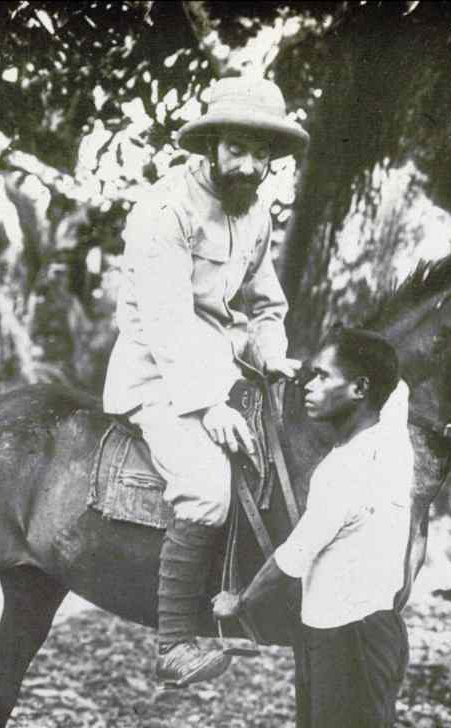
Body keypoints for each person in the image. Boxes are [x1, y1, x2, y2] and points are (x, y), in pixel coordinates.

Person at [103, 77, 309, 686]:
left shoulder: (254, 214)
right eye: (237, 150)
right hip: (159, 373)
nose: (248, 165)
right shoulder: (163, 211)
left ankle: (247, 605)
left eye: (260, 153)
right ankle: (173, 643)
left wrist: (273, 356)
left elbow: (266, 303)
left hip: (228, 366)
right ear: (212, 145)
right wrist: (208, 403)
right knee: (205, 488)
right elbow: (166, 323)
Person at [213, 326, 414, 728]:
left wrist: (235, 602)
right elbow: (395, 383)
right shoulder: (393, 438)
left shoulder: (342, 471)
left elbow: (292, 558)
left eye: (322, 377)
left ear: (360, 389)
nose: (307, 384)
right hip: (373, 631)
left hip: (345, 640)